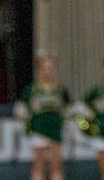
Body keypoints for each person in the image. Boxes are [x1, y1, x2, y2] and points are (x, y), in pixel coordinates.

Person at [14, 51, 70, 180]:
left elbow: (68, 108)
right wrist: (27, 123)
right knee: (39, 165)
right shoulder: (31, 89)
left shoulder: (60, 89)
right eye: (44, 68)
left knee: (56, 166)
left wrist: (64, 119)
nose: (47, 71)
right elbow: (21, 109)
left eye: (50, 68)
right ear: (39, 69)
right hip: (38, 129)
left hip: (55, 128)